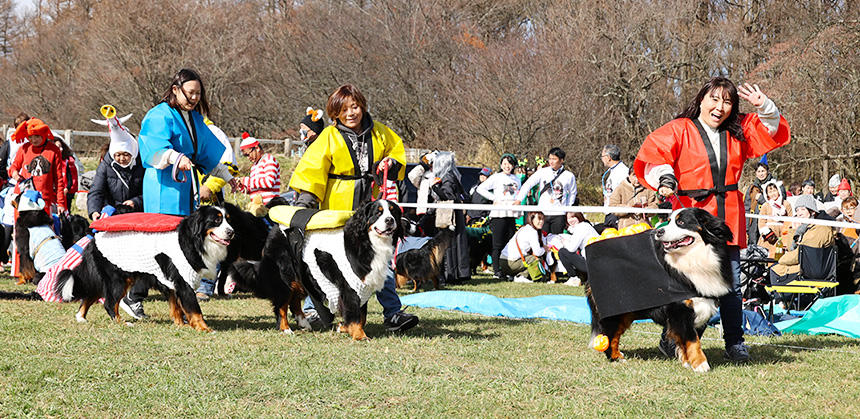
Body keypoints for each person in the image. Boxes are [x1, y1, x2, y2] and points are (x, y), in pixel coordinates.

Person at [634, 77, 790, 362]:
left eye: (727, 102)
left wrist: (764, 105)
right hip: (691, 218)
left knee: (731, 283)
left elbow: (772, 128)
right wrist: (666, 178)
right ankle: (677, 337)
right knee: (691, 285)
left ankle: (735, 342)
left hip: (727, 215)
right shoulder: (680, 128)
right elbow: (655, 156)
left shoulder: (739, 131)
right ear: (702, 100)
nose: (720, 107)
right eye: (714, 99)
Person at [288, 83, 417, 332]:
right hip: (336, 208)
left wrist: (390, 161)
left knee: (380, 260)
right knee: (325, 263)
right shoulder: (327, 137)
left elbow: (397, 153)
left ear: (362, 106)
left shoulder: (380, 132)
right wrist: (305, 205)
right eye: (344, 109)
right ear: (334, 113)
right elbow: (312, 170)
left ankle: (392, 313)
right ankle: (316, 311)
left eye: (355, 107)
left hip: (371, 211)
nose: (350, 113)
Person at [122, 68, 235, 319]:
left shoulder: (194, 119)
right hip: (164, 185)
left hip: (185, 188)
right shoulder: (159, 115)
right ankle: (134, 295)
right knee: (159, 246)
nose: (194, 98)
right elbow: (152, 145)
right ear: (176, 89)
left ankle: (180, 304)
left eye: (198, 93)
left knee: (181, 249)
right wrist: (175, 157)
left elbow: (208, 153)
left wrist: (228, 177)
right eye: (190, 92)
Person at [768, 195, 835, 298]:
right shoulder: (806, 228)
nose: (799, 213)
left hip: (813, 271)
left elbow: (799, 254)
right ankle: (783, 301)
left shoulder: (819, 229)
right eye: (797, 210)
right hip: (811, 266)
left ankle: (781, 302)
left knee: (775, 269)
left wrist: (781, 259)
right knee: (775, 267)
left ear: (812, 211)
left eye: (803, 209)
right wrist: (794, 230)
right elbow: (792, 248)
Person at [477, 154, 521, 281]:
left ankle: (508, 269)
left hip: (511, 214)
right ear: (501, 165)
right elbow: (481, 188)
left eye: (510, 164)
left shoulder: (516, 179)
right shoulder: (496, 177)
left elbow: (518, 194)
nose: (507, 166)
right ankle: (496, 270)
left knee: (510, 242)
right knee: (497, 244)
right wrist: (494, 198)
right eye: (505, 164)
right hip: (498, 214)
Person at [9, 118, 67, 213]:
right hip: (23, 197)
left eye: (36, 136)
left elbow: (59, 179)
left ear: (43, 134)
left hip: (44, 199)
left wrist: (60, 203)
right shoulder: (24, 148)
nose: (33, 140)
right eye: (30, 137)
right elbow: (13, 166)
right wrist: (14, 173)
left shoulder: (54, 150)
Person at [514, 147, 577, 234]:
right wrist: (519, 199)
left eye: (554, 159)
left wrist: (568, 208)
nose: (551, 161)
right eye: (550, 158)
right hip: (543, 212)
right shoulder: (542, 172)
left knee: (557, 240)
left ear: (561, 160)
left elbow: (572, 193)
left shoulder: (569, 175)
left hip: (559, 213)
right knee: (542, 239)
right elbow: (528, 184)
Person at [87, 129, 144, 220]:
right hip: (112, 212)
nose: (122, 159)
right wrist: (94, 211)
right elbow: (96, 191)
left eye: (126, 154)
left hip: (137, 213)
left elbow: (149, 192)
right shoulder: (106, 165)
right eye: (118, 155)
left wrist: (136, 202)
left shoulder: (142, 165)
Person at [499, 211, 551, 283]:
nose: (541, 222)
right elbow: (538, 252)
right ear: (531, 219)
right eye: (539, 219)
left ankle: (513, 275)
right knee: (535, 259)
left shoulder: (524, 228)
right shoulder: (532, 232)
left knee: (530, 258)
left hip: (502, 261)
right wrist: (545, 249)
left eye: (542, 219)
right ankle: (521, 276)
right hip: (511, 263)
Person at [234, 132, 281, 205]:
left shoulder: (269, 160)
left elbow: (269, 182)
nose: (248, 157)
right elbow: (253, 189)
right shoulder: (254, 166)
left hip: (270, 205)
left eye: (248, 154)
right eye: (245, 155)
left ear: (257, 148)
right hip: (257, 206)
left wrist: (247, 181)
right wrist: (242, 186)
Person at [552, 212, 598, 286]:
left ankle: (573, 277)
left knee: (562, 252)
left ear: (579, 216)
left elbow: (571, 248)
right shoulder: (586, 226)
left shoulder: (581, 228)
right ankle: (582, 277)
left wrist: (564, 242)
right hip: (596, 262)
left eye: (573, 217)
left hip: (591, 264)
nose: (570, 220)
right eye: (568, 218)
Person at [757, 180, 792, 258]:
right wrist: (767, 234)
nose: (773, 193)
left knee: (780, 257)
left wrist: (787, 234)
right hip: (769, 237)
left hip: (783, 235)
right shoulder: (765, 205)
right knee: (767, 256)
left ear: (778, 191)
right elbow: (761, 222)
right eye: (770, 191)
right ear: (767, 194)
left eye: (774, 190)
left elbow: (790, 220)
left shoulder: (786, 204)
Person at [53, 138, 79, 210]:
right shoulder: (49, 163)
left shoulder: (66, 162)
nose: (61, 149)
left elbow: (69, 178)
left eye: (61, 147)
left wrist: (66, 189)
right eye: (58, 147)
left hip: (65, 192)